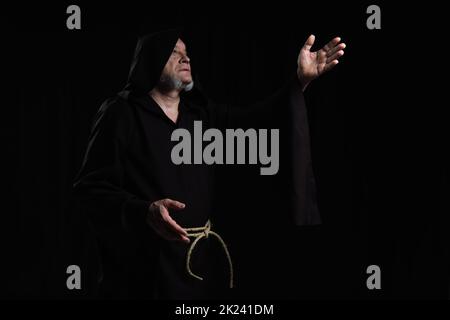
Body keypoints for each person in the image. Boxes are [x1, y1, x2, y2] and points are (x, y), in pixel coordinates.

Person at [73, 28, 345, 299]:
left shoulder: (200, 115)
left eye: (187, 53)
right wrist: (144, 211)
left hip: (198, 267)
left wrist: (299, 82)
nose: (186, 59)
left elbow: (257, 120)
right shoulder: (121, 113)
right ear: (150, 61)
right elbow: (90, 189)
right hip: (141, 271)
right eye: (174, 53)